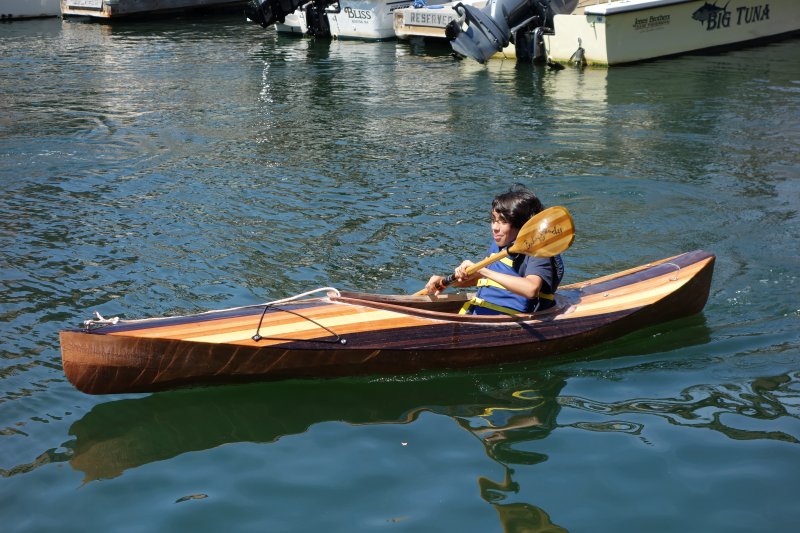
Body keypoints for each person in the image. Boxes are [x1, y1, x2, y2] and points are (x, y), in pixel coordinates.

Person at [425, 185, 564, 315]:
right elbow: (478, 279)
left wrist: (482, 269)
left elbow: (531, 289)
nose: (494, 227)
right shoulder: (498, 245)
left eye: (503, 221)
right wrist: (445, 282)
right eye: (493, 220)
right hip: (476, 316)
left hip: (511, 323)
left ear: (522, 225)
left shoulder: (538, 252)